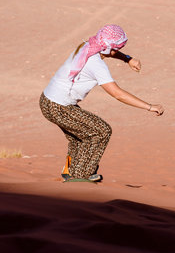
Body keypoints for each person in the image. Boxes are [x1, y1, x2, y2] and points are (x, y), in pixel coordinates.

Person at [39, 24, 164, 182]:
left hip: (47, 101)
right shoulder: (96, 64)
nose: (117, 51)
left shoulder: (88, 45)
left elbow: (109, 51)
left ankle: (70, 171)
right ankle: (79, 178)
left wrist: (127, 59)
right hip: (59, 107)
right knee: (101, 131)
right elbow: (117, 94)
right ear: (109, 47)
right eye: (118, 48)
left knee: (79, 135)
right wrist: (150, 106)